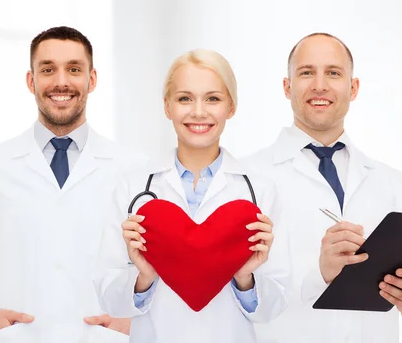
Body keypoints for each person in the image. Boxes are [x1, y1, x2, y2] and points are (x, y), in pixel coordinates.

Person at [246, 33, 402, 343]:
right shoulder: (248, 177)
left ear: (353, 88)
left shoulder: (390, 181)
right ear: (287, 87)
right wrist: (319, 275)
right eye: (306, 72)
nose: (319, 85)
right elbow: (238, 291)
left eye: (333, 73)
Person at [0, 26, 144, 342]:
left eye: (74, 69)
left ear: (91, 80)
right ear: (30, 81)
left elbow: (156, 263)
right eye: (48, 69)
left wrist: (136, 321)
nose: (61, 81)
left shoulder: (132, 169)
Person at [95, 49, 291, 343]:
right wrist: (144, 276)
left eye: (213, 98)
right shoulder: (132, 189)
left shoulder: (260, 192)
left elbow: (273, 307)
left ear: (231, 107)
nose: (198, 111)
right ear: (167, 107)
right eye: (185, 98)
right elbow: (109, 298)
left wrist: (245, 276)